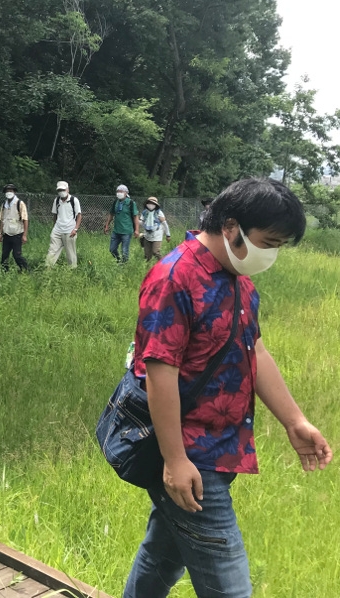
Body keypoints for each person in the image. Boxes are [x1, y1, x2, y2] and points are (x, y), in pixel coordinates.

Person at [122, 178, 332, 598]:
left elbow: (253, 350)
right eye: (267, 242)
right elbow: (159, 373)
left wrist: (295, 421)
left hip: (221, 446)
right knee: (229, 586)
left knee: (162, 557)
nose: (270, 255)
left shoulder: (237, 279)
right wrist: (175, 460)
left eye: (278, 246)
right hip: (193, 457)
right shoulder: (175, 278)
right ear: (231, 226)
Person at [46, 181, 81, 268]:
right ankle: (48, 268)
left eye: (63, 189)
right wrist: (54, 227)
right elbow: (55, 215)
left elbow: (79, 215)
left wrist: (75, 229)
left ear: (68, 189)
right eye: (59, 190)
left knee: (70, 253)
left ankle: (72, 270)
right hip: (57, 230)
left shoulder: (74, 200)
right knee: (52, 250)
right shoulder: (57, 200)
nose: (61, 192)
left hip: (70, 231)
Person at [104, 184, 140, 264]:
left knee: (124, 251)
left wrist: (137, 230)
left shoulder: (130, 203)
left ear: (126, 193)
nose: (119, 193)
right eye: (118, 191)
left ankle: (124, 265)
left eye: (121, 191)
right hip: (116, 231)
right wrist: (107, 225)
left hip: (126, 231)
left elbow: (135, 217)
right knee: (112, 249)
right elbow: (111, 214)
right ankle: (118, 260)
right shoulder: (115, 202)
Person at [0, 184, 28, 272]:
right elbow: (1, 220)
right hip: (6, 234)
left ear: (14, 192)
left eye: (11, 191)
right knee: (4, 255)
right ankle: (5, 272)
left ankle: (25, 270)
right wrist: (0, 234)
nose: (9, 193)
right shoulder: (4, 205)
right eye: (7, 191)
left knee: (17, 255)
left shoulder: (19, 203)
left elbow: (25, 219)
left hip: (17, 234)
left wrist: (24, 235)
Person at [138, 196, 171, 263]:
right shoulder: (145, 213)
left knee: (155, 252)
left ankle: (163, 264)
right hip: (147, 235)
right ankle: (148, 269)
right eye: (149, 203)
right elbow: (142, 222)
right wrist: (136, 220)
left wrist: (168, 235)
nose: (151, 204)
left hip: (157, 235)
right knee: (147, 255)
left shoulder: (159, 213)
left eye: (152, 203)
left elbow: (165, 224)